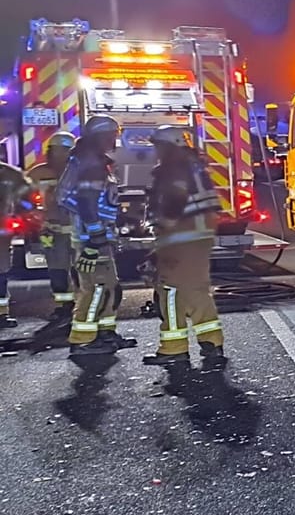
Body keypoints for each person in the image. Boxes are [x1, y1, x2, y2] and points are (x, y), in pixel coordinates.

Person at [143, 126, 227, 370]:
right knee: (192, 289)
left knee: (170, 290)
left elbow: (175, 199)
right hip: (193, 237)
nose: (156, 151)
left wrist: (163, 227)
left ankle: (175, 349)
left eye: (158, 146)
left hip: (181, 238)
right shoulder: (193, 166)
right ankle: (210, 344)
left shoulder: (175, 168)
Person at [59, 116, 134, 358]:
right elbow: (86, 201)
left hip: (97, 235)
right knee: (96, 289)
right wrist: (95, 237)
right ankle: (83, 340)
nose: (115, 138)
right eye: (112, 133)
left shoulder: (92, 160)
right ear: (101, 135)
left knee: (108, 287)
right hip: (91, 238)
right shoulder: (91, 163)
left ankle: (105, 333)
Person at [25, 132, 77, 329]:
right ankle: (64, 305)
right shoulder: (38, 173)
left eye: (66, 151)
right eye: (58, 151)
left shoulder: (79, 172)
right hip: (51, 231)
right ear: (51, 152)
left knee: (80, 269)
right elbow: (23, 196)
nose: (62, 155)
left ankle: (80, 305)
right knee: (56, 268)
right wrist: (31, 214)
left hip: (77, 231)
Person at [0, 158, 31, 330]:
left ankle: (2, 313)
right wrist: (24, 210)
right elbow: (26, 197)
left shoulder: (10, 174)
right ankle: (1, 314)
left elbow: (26, 197)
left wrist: (24, 211)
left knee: (1, 273)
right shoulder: (10, 173)